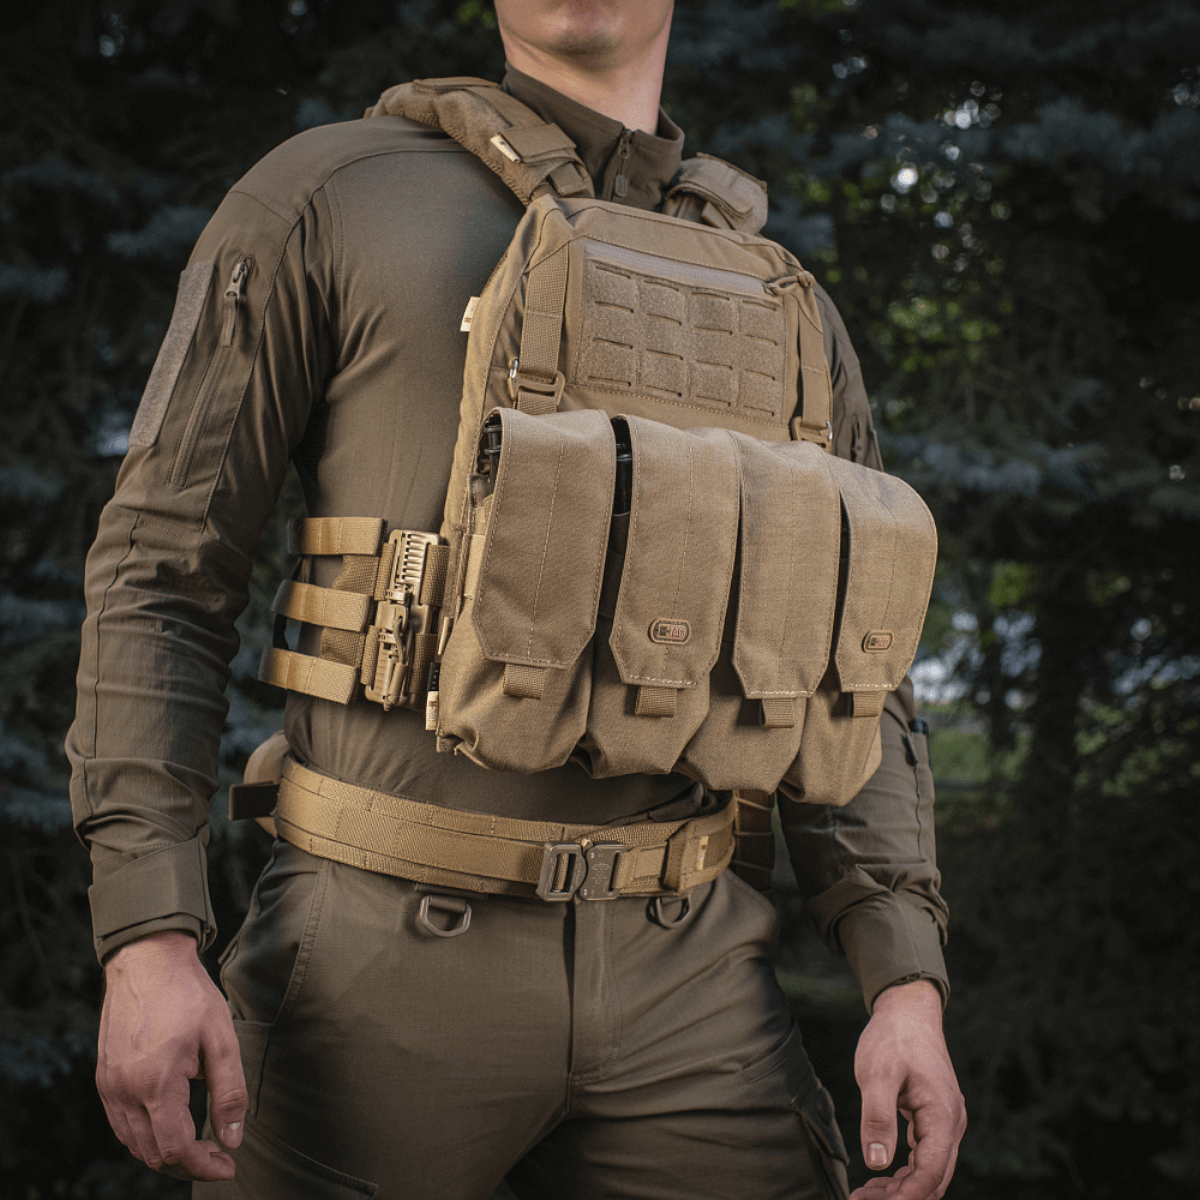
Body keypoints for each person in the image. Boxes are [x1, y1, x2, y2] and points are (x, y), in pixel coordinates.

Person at [68, 2, 966, 1197]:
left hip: (693, 986)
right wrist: (148, 932)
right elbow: (161, 572)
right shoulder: (329, 196)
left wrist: (903, 979)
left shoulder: (781, 300)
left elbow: (852, 668)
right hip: (369, 977)